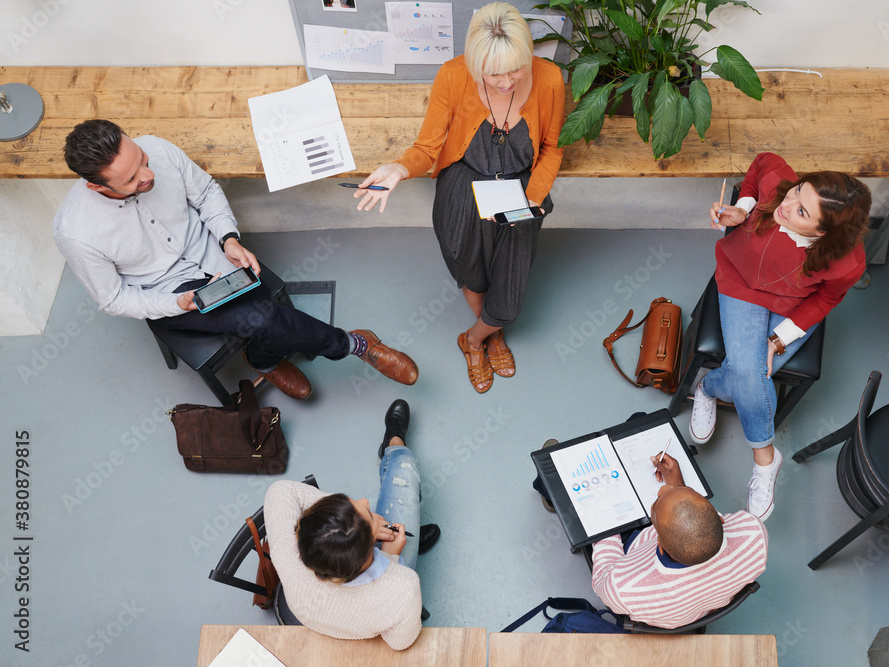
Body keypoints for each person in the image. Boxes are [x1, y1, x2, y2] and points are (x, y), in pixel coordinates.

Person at [53, 119, 418, 399]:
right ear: (96, 186)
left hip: (214, 257)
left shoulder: (156, 147)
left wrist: (228, 238)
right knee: (263, 317)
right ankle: (355, 344)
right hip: (170, 295)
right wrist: (178, 302)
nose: (148, 176)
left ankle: (264, 360)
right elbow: (113, 298)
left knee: (265, 318)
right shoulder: (76, 232)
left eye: (143, 162)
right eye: (132, 179)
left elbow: (206, 192)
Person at [354, 2, 566, 394]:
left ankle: (473, 337)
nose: (507, 82)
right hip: (464, 190)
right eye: (494, 73)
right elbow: (427, 148)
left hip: (520, 192)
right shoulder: (453, 76)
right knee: (474, 276)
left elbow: (553, 149)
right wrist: (399, 168)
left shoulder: (550, 78)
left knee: (509, 301)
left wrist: (533, 197)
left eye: (517, 69)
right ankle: (491, 338)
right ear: (474, 61)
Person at [689, 152, 871, 520]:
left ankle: (709, 387)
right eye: (798, 191)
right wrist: (743, 208)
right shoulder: (778, 186)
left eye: (802, 211)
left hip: (792, 306)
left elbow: (826, 299)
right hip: (740, 286)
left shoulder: (848, 263)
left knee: (748, 371)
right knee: (751, 371)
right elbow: (763, 160)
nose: (786, 205)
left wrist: (778, 340)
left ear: (823, 233)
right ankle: (765, 458)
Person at [264, 399, 441, 650]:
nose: (364, 500)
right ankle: (394, 442)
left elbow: (280, 490)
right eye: (367, 512)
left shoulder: (289, 560)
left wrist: (350, 522)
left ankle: (391, 446)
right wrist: (390, 558)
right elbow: (400, 643)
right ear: (370, 551)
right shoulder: (403, 588)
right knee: (404, 467)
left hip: (325, 618)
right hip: (384, 583)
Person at [591, 452, 768, 629]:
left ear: (659, 546)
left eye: (657, 502)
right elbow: (701, 523)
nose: (662, 489)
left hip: (633, 553)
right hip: (698, 607)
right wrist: (678, 486)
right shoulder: (753, 535)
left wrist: (605, 516)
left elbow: (603, 575)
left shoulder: (623, 588)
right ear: (720, 519)